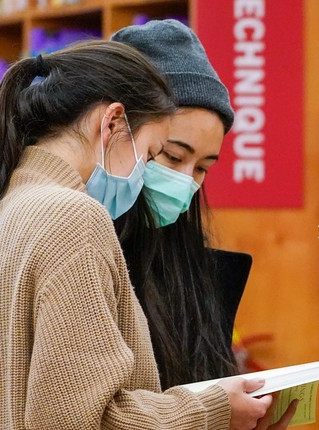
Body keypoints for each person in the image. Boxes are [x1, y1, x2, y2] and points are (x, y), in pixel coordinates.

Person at [0, 40, 274, 429]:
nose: (146, 174)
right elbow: (81, 419)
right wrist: (213, 410)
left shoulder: (7, 205)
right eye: (153, 155)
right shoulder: (73, 216)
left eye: (202, 168)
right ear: (112, 122)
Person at [111, 20, 252, 388]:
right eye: (173, 156)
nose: (186, 182)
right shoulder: (80, 244)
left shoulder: (189, 264)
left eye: (204, 167)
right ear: (115, 131)